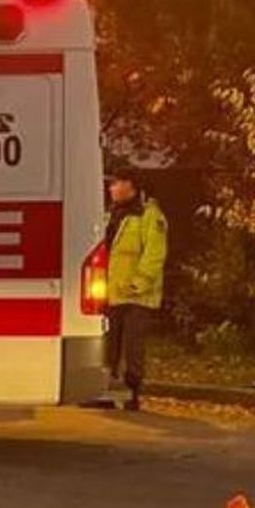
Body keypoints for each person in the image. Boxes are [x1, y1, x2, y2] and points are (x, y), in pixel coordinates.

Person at [104, 165, 168, 412]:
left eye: (116, 183)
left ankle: (133, 394)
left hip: (137, 295)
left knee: (133, 347)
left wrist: (139, 282)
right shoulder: (112, 214)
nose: (112, 188)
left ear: (131, 186)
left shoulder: (150, 215)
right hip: (112, 291)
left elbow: (155, 254)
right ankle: (105, 392)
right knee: (108, 345)